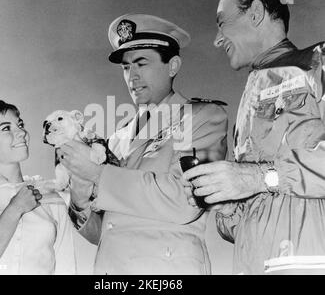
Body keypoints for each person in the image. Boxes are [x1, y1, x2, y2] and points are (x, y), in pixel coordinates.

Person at [58, 14, 228, 274]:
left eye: (141, 63)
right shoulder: (117, 139)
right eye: (126, 67)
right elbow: (105, 232)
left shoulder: (203, 117)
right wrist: (80, 200)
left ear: (172, 66)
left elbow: (186, 200)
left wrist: (97, 174)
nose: (132, 77)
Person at [183, 0, 325, 274]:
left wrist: (258, 178)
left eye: (222, 23)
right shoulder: (252, 90)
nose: (217, 39)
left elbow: (265, 180)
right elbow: (261, 214)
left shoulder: (316, 62)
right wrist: (227, 206)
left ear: (256, 13)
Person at [0, 100, 77, 275]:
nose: (22, 132)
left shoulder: (51, 199)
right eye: (6, 128)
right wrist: (14, 209)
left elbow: (67, 268)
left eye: (19, 125)